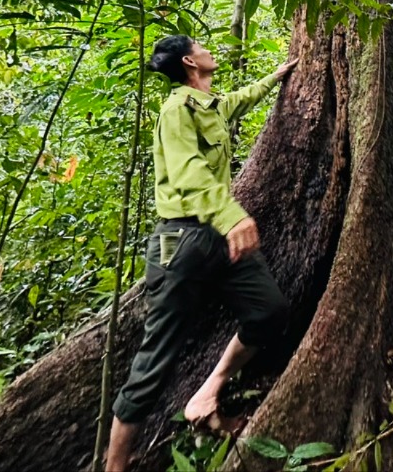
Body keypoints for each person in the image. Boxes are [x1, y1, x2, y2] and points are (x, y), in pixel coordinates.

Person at [105, 35, 296, 472]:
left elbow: (238, 101)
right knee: (155, 359)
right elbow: (187, 171)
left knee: (269, 311)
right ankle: (114, 465)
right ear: (191, 62)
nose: (209, 49)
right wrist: (232, 216)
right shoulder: (175, 110)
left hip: (219, 238)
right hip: (181, 239)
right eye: (201, 46)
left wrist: (278, 75)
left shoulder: (208, 105)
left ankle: (208, 393)